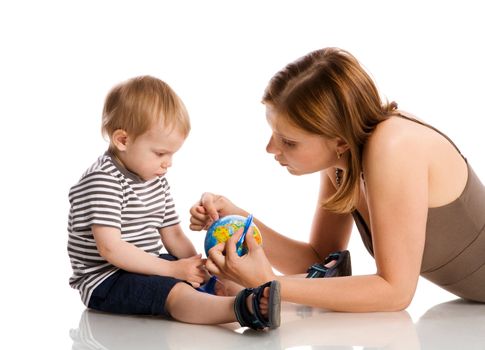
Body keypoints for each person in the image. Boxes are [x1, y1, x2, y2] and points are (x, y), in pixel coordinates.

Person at [189, 47, 485, 312]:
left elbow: (395, 293)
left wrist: (271, 282)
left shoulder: (393, 146)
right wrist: (242, 222)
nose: (271, 148)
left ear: (339, 140)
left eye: (289, 141)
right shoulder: (342, 161)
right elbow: (318, 258)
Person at [67, 75, 281, 330]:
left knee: (206, 275)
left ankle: (260, 294)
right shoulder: (103, 181)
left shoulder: (154, 179)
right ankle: (243, 309)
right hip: (106, 279)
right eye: (160, 153)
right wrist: (174, 271)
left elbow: (173, 234)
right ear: (122, 140)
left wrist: (199, 265)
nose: (168, 163)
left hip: (147, 263)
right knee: (176, 291)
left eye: (172, 154)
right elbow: (111, 249)